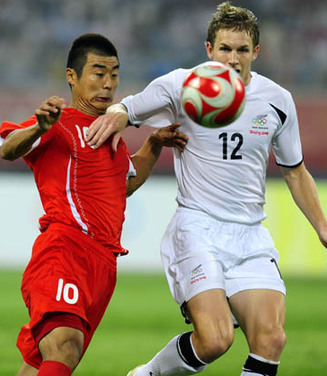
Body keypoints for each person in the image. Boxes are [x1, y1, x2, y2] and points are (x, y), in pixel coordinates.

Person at [86, 3, 327, 376]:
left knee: (272, 340)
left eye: (242, 50)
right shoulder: (181, 86)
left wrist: (322, 227)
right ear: (209, 50)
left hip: (250, 236)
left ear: (256, 52)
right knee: (215, 340)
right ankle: (148, 374)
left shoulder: (277, 101)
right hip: (197, 228)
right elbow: (127, 108)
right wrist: (113, 119)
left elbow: (295, 172)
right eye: (225, 49)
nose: (233, 59)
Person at [0, 33, 188, 376]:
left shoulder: (109, 133)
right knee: (65, 346)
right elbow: (8, 148)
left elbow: (125, 185)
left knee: (42, 363)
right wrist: (38, 127)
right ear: (71, 76)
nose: (108, 84)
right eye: (98, 73)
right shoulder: (59, 124)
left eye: (114, 74)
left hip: (102, 267)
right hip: (65, 250)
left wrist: (154, 144)